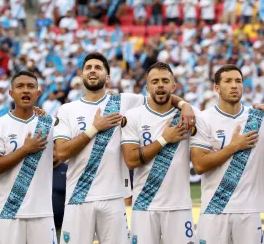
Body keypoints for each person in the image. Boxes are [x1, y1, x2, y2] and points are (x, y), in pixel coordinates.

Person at [53, 52, 195, 244]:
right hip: (78, 196)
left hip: (114, 197)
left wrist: (185, 105)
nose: (93, 71)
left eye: (98, 68)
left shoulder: (124, 101)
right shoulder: (67, 109)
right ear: (81, 75)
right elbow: (61, 152)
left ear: (108, 77)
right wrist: (95, 128)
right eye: (88, 68)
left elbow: (161, 94)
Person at [120, 62, 197, 244]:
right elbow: (130, 160)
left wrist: (185, 105)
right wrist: (164, 139)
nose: (160, 85)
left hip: (180, 206)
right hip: (144, 206)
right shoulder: (133, 116)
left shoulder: (189, 116)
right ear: (147, 87)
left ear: (174, 86)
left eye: (165, 80)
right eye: (155, 81)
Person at [190, 64, 264, 243]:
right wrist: (233, 146)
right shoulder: (204, 119)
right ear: (216, 87)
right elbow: (199, 165)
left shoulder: (258, 118)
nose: (234, 85)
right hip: (214, 210)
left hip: (249, 210)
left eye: (238, 81)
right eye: (228, 81)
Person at [0, 71, 57, 244]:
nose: (26, 91)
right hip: (10, 213)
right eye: (20, 86)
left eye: (31, 87)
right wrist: (25, 149)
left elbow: (61, 156)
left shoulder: (50, 124)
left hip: (43, 213)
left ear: (38, 93)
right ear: (11, 93)